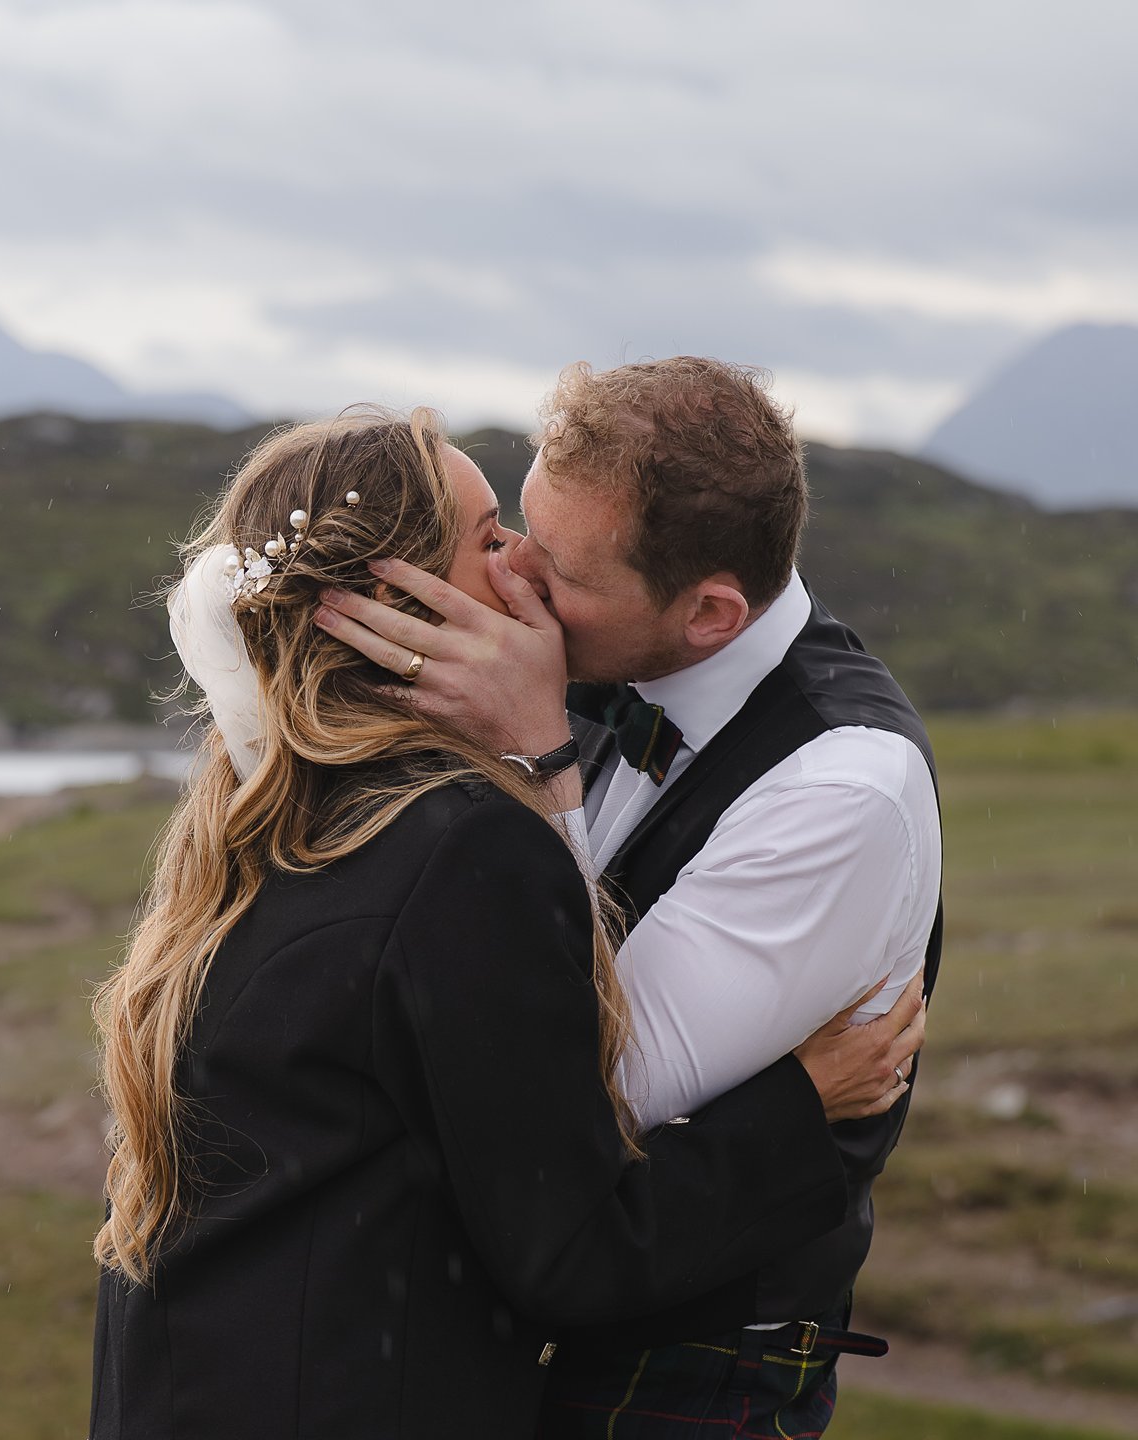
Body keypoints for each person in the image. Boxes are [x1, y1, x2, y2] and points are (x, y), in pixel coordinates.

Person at [88, 405, 924, 1439]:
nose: (521, 570)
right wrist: (805, 1107)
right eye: (492, 539)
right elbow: (573, 1233)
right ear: (396, 608)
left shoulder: (263, 805)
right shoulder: (465, 844)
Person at [315, 359, 943, 1437]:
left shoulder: (845, 789)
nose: (510, 579)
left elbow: (590, 1093)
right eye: (515, 532)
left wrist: (539, 760)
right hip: (511, 1323)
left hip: (684, 1373)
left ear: (709, 614)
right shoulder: (598, 652)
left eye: (555, 573)